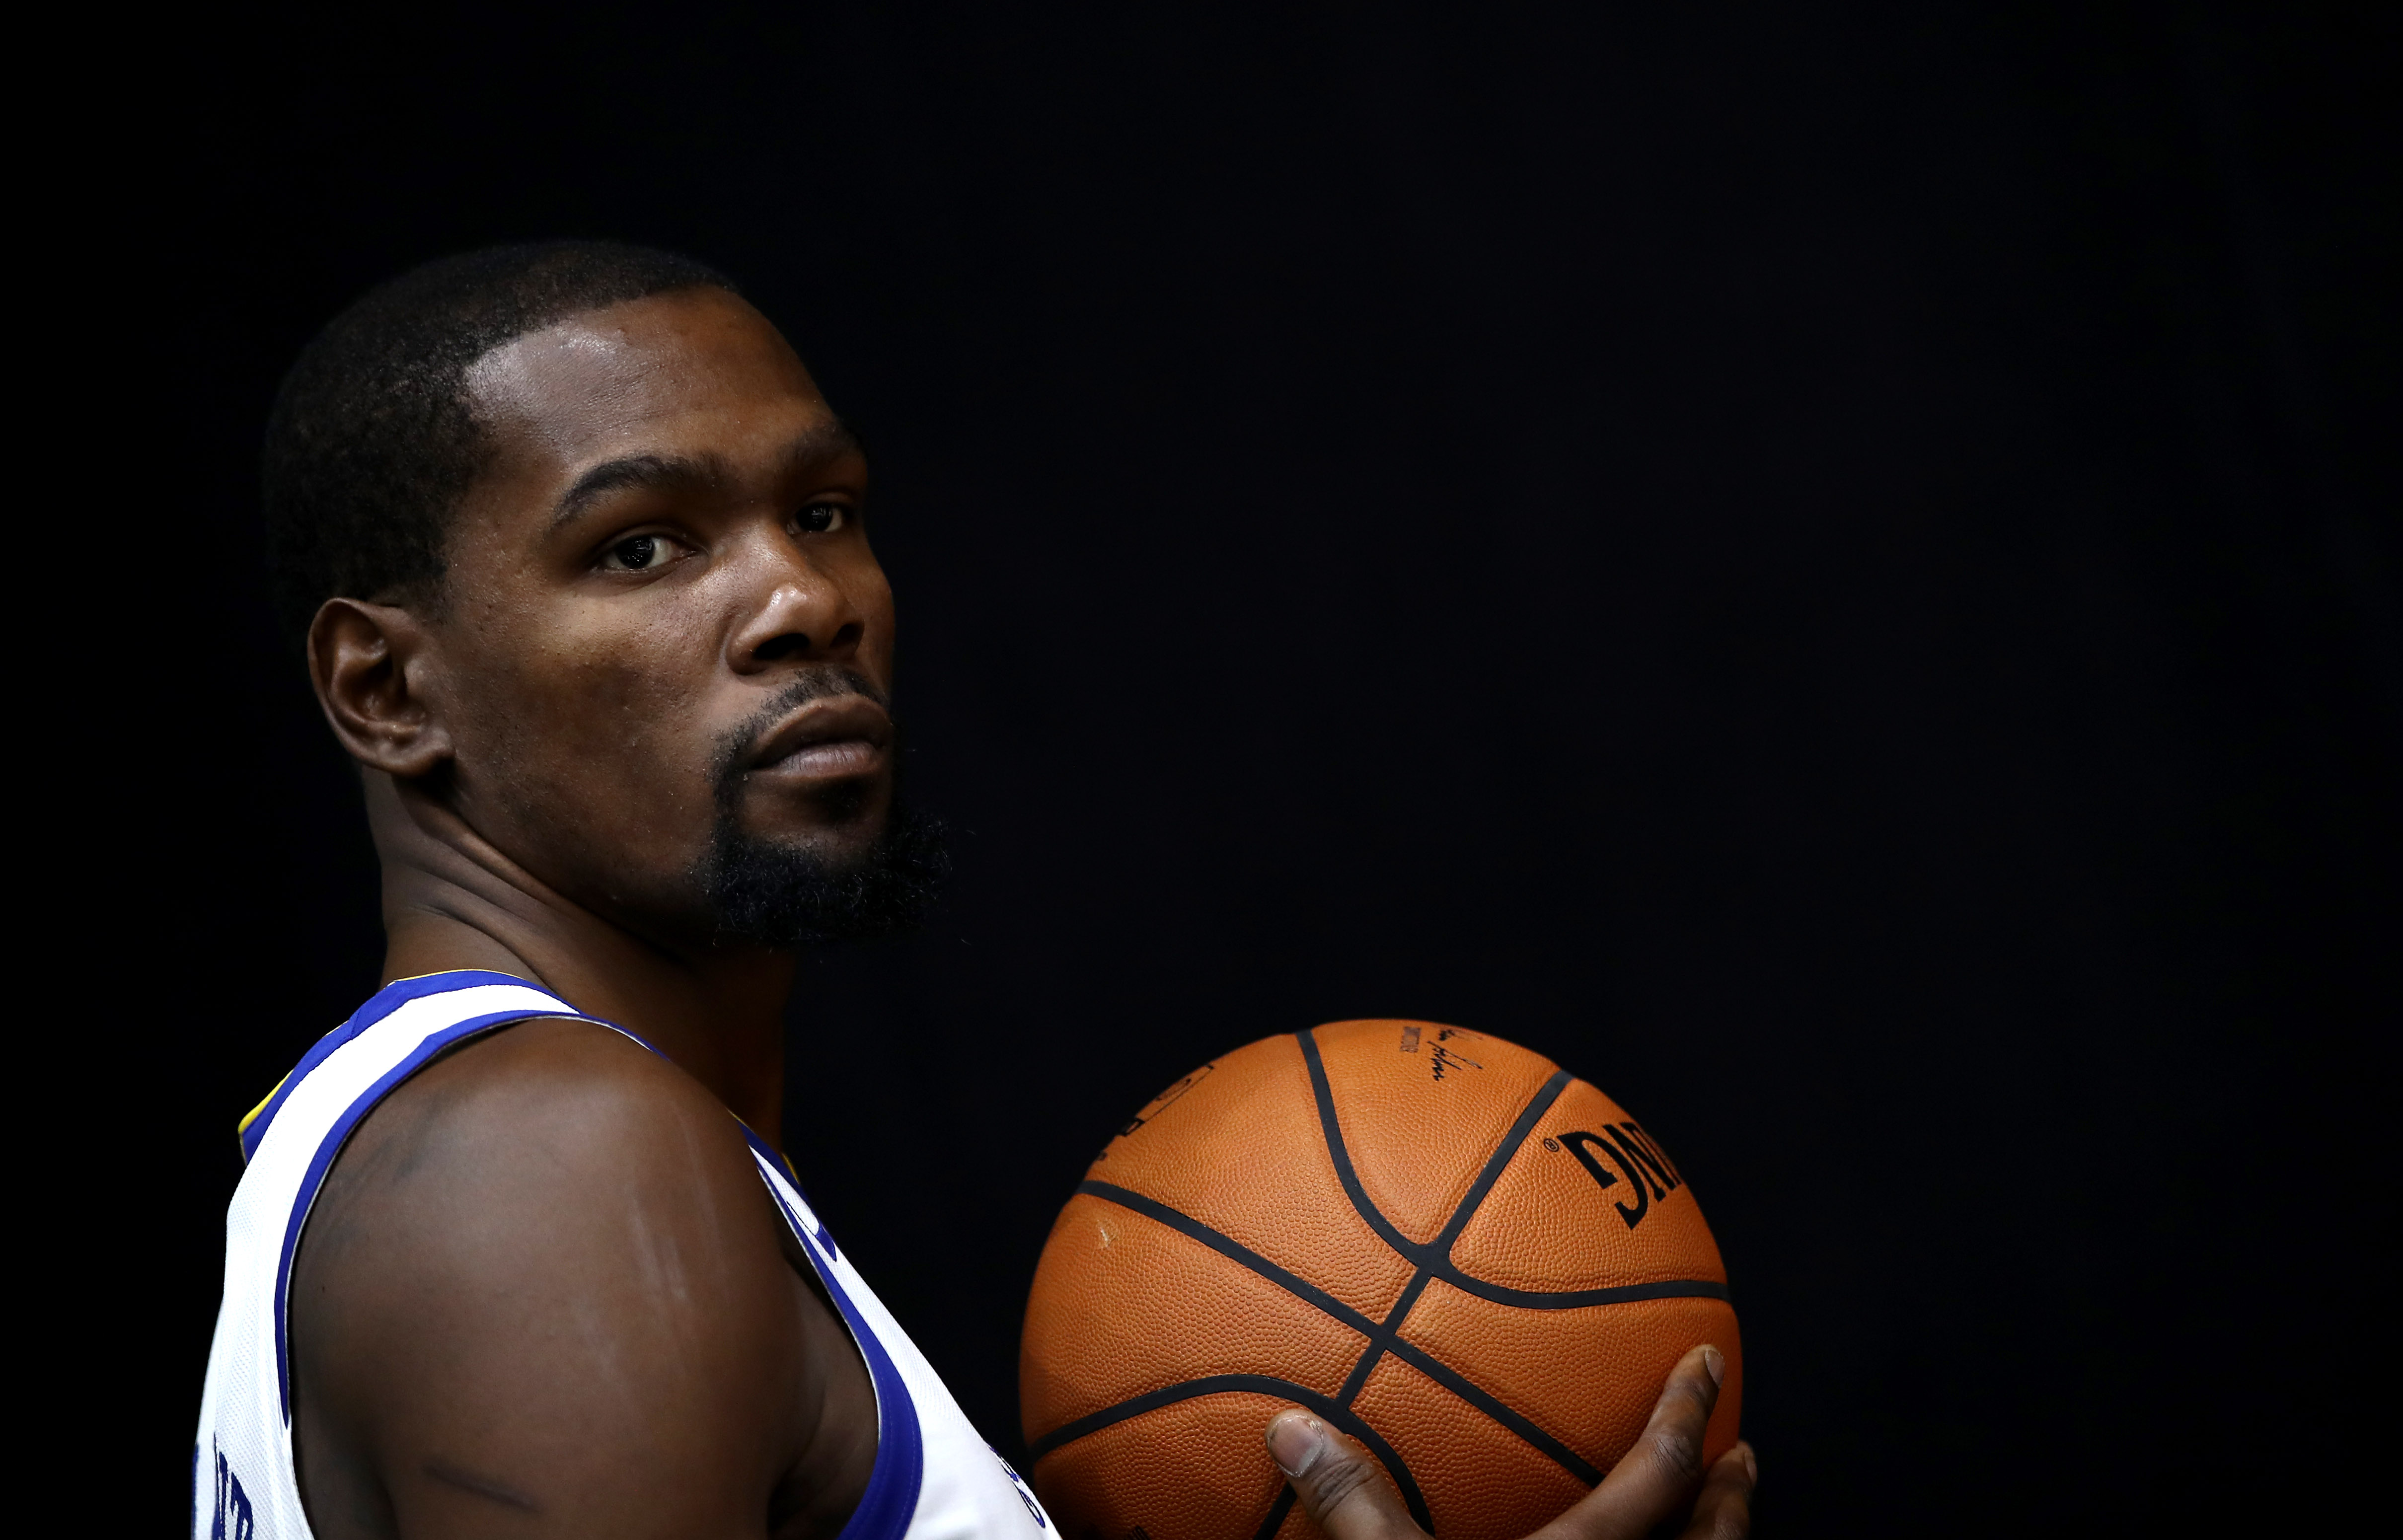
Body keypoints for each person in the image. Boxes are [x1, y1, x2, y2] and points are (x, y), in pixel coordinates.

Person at [196, 243, 1759, 1540]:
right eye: (642, 546)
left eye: (821, 513)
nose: (805, 601)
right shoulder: (548, 1166)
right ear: (389, 691)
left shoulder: (464, 1150)